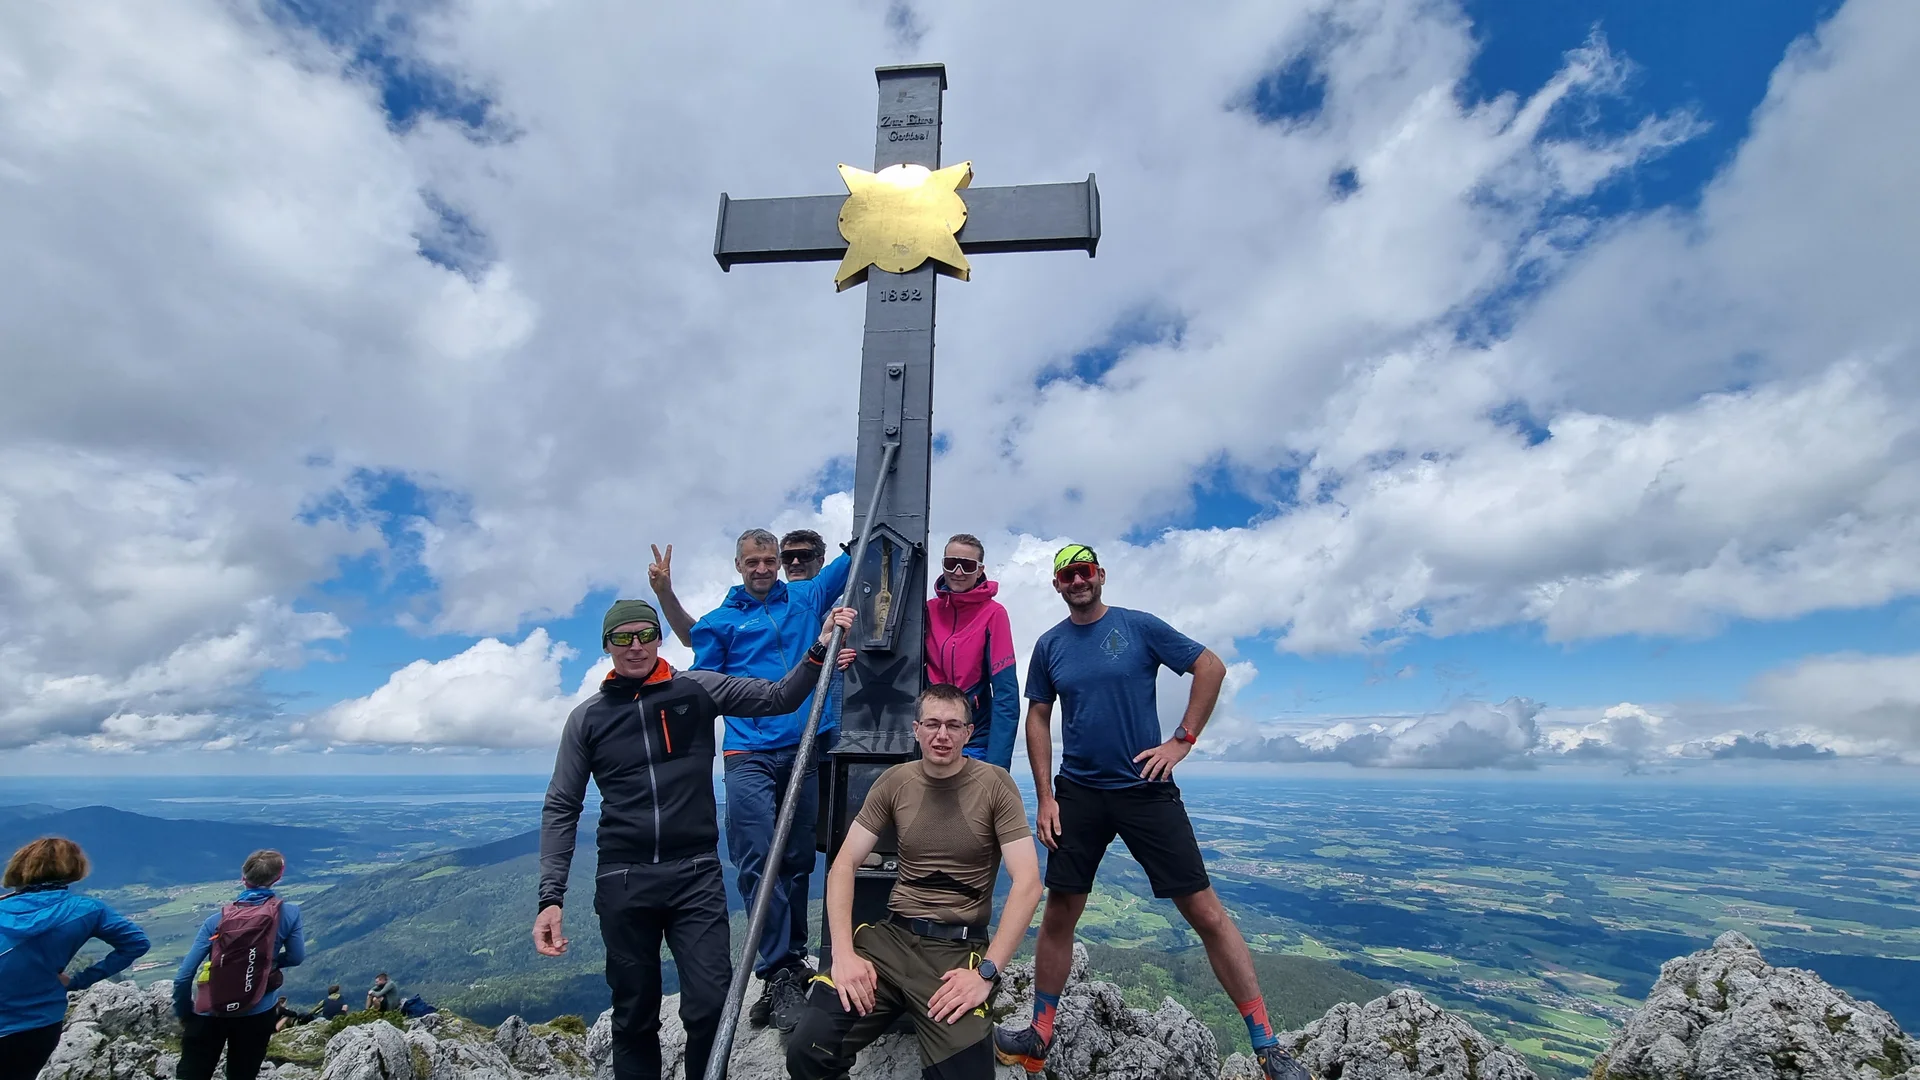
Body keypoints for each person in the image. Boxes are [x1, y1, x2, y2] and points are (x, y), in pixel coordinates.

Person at [993, 546, 1311, 1080]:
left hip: (1146, 787)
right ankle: (1039, 1033)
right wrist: (1045, 796)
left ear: (1100, 576)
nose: (1078, 581)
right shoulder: (1049, 645)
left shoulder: (1138, 627)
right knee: (1060, 911)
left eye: (1085, 572)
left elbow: (1209, 665)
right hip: (1080, 794)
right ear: (1056, 584)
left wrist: (1182, 740)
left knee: (1205, 912)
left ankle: (1267, 1045)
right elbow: (1039, 718)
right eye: (1068, 575)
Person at [536, 597, 857, 1080]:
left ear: (659, 638)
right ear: (607, 646)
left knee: (710, 1006)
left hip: (695, 875)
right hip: (624, 880)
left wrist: (820, 646)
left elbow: (778, 699)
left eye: (645, 633)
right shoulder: (588, 719)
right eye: (623, 638)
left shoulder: (696, 689)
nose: (636, 645)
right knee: (634, 1013)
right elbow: (563, 804)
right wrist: (550, 896)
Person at [649, 529, 853, 1031]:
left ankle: (791, 964)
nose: (763, 568)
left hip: (805, 744)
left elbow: (858, 557)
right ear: (738, 565)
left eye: (770, 560)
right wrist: (665, 596)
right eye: (753, 561)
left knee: (799, 857)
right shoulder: (722, 623)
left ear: (779, 563)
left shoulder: (806, 596)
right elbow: (704, 684)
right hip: (749, 751)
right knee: (759, 855)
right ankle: (778, 967)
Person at [787, 685, 1042, 1080]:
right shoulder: (895, 782)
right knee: (809, 1051)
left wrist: (986, 974)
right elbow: (843, 865)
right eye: (933, 724)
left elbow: (1028, 883)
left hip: (956, 953)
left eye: (954, 725)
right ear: (916, 729)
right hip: (890, 944)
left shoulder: (995, 785)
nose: (943, 735)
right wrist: (843, 955)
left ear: (968, 733)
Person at [0, 838, 150, 1080]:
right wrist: (78, 981)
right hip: (38, 1023)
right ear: (74, 868)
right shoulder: (87, 910)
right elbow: (136, 943)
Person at [174, 850, 306, 1080]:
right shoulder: (289, 913)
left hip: (210, 1011)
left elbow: (184, 975)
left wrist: (186, 1012)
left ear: (243, 877)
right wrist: (267, 963)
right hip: (258, 1010)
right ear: (278, 877)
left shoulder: (215, 921)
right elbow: (296, 957)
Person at [924, 533, 1019, 769]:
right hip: (930, 739)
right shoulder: (928, 610)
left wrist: (997, 767)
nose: (958, 572)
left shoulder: (993, 614)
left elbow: (1006, 694)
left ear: (979, 570)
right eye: (951, 563)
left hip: (974, 740)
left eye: (967, 566)